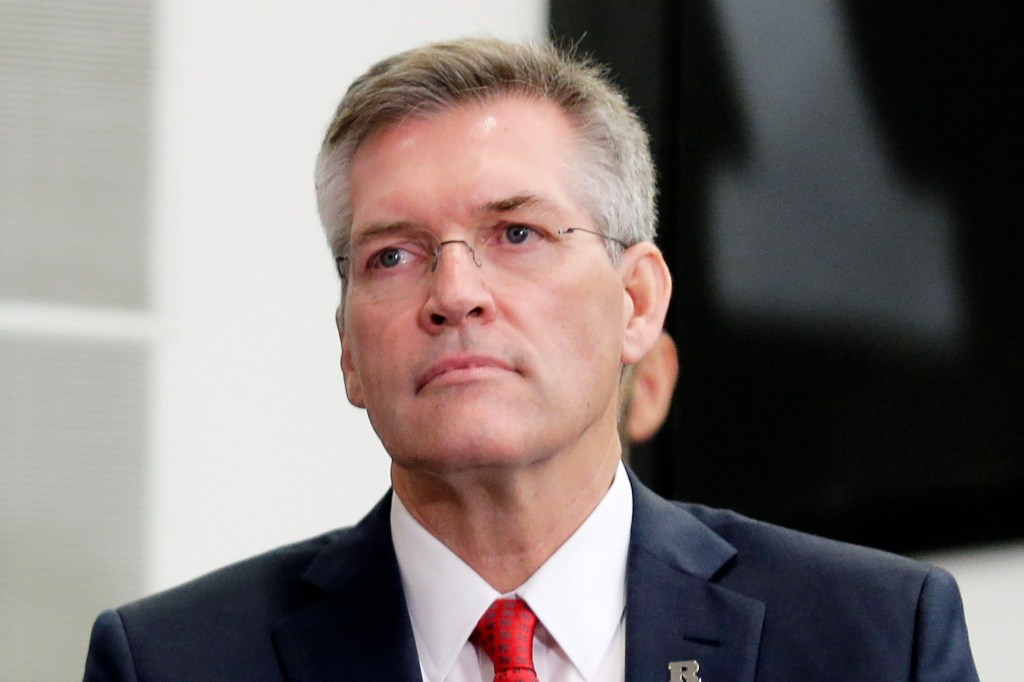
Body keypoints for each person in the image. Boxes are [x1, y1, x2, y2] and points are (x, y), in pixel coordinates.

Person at [83, 38, 977, 681]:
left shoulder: (872, 640)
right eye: (393, 254)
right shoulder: (171, 661)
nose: (454, 291)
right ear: (349, 350)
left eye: (516, 232)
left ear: (636, 303)